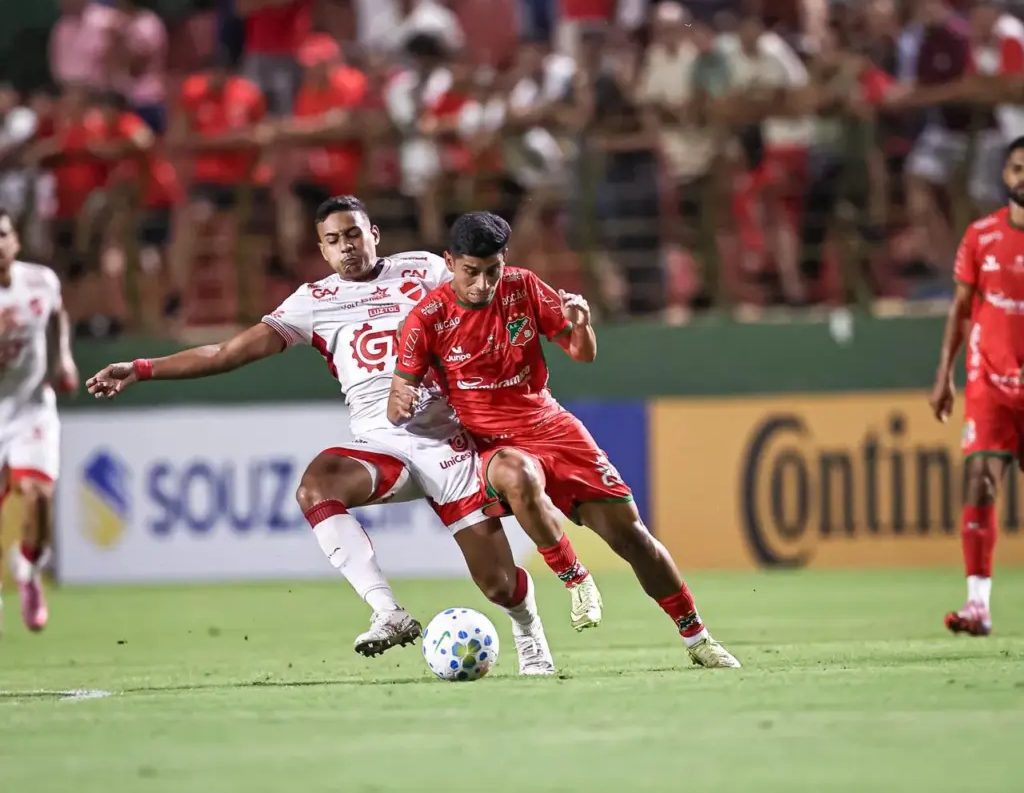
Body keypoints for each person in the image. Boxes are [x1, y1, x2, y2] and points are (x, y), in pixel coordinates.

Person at [86, 196, 555, 674]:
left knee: (498, 584)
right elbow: (226, 351)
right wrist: (143, 368)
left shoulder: (425, 269)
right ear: (322, 250)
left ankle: (528, 631)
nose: (346, 247)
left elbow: (488, 303)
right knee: (316, 485)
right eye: (333, 240)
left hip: (449, 440)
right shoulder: (314, 301)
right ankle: (388, 612)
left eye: (353, 234)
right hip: (380, 443)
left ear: (374, 235)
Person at [388, 212, 741, 668]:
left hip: (552, 426)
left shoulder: (524, 287)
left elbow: (582, 353)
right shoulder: (427, 320)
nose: (481, 284)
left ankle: (698, 637)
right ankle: (576, 579)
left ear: (504, 261)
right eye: (470, 272)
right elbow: (399, 396)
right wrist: (402, 403)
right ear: (449, 261)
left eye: (491, 270)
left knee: (632, 537)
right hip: (491, 442)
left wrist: (582, 324)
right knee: (517, 474)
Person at [929, 136, 1024, 637]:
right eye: (1016, 168)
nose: (1022, 176)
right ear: (1005, 175)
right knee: (982, 480)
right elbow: (962, 310)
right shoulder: (982, 236)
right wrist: (944, 374)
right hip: (988, 380)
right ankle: (977, 604)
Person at [0, 208, 79, 634]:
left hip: (30, 403)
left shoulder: (41, 281)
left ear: (15, 240)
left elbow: (57, 314)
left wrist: (63, 356)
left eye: (2, 235)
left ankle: (27, 571)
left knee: (39, 495)